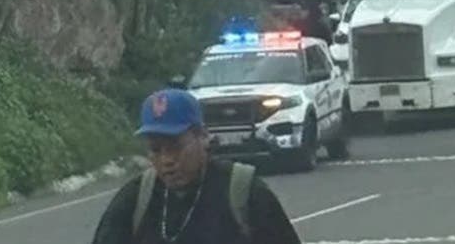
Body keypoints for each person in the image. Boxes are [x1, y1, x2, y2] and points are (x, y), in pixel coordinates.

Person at [90, 89, 303, 244]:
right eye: (156, 150)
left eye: (175, 147)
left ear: (202, 137)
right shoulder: (136, 200)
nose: (166, 160)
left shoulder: (243, 193)